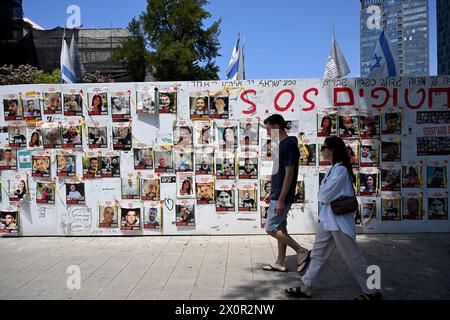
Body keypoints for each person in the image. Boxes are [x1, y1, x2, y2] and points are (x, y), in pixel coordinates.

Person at [286, 136, 381, 300]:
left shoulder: (341, 170)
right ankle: (306, 287)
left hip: (339, 221)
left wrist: (324, 197)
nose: (322, 150)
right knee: (318, 253)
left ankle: (372, 290)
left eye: (324, 147)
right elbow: (324, 196)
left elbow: (323, 195)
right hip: (328, 218)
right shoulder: (333, 169)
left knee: (352, 256)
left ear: (332, 150)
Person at [262, 114, 309, 273]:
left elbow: (290, 173)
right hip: (277, 193)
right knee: (281, 227)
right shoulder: (279, 144)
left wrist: (280, 198)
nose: (267, 133)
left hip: (283, 196)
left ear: (276, 126)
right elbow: (279, 172)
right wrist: (271, 192)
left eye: (268, 129)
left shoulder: (289, 144)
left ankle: (301, 251)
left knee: (270, 228)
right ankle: (280, 262)